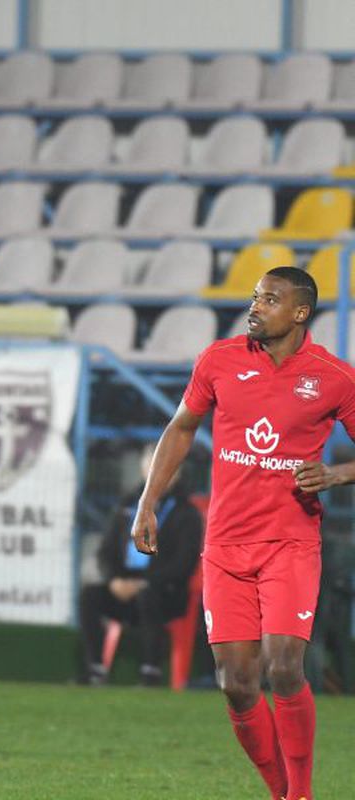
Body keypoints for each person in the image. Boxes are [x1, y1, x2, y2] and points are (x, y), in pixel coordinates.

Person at [132, 267, 355, 800]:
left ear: (300, 313)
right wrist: (148, 501)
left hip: (290, 543)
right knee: (235, 683)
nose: (255, 307)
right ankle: (281, 792)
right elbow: (181, 428)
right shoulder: (219, 360)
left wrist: (338, 474)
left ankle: (300, 794)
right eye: (255, 297)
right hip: (226, 545)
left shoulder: (334, 377)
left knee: (285, 665)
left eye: (270, 299)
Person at [79, 443, 202, 686]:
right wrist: (114, 580)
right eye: (153, 466)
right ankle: (95, 670)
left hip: (166, 594)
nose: (159, 472)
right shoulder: (127, 505)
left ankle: (150, 672)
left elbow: (184, 563)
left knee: (148, 596)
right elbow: (105, 552)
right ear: (144, 469)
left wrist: (145, 583)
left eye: (167, 467)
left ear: (177, 472)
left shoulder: (187, 513)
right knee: (89, 596)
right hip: (124, 590)